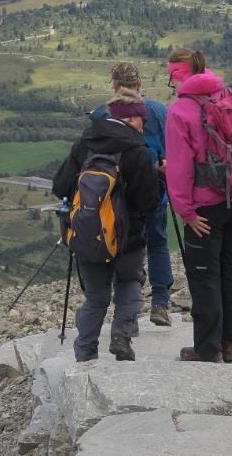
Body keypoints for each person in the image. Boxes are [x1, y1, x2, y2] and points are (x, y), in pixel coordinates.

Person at [165, 47, 232, 364]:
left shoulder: (180, 110)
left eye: (171, 74)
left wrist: (186, 212)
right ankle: (231, 343)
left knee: (204, 275)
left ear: (179, 74)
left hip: (206, 207)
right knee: (231, 271)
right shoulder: (231, 96)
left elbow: (180, 169)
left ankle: (207, 348)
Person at [53, 89, 158, 363]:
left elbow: (60, 187)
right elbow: (148, 201)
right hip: (129, 237)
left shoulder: (85, 143)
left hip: (87, 235)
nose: (143, 124)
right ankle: (121, 336)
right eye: (140, 118)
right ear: (130, 117)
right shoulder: (137, 150)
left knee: (96, 297)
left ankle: (85, 353)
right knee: (130, 281)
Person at [89, 61, 174, 327]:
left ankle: (128, 314)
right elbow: (170, 150)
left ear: (114, 84)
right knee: (158, 243)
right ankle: (160, 302)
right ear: (139, 83)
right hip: (154, 188)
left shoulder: (103, 115)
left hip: (119, 196)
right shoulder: (159, 111)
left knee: (123, 248)